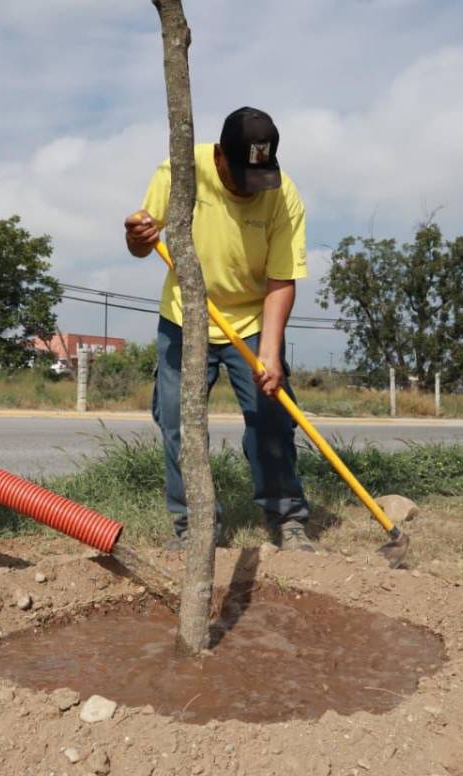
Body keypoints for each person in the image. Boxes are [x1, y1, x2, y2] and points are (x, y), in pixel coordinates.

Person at [123, 106, 316, 552]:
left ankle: (286, 516)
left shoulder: (283, 194)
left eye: (260, 176)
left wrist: (270, 351)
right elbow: (141, 239)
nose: (253, 189)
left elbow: (282, 277)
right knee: (176, 419)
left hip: (251, 319)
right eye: (242, 177)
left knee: (272, 417)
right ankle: (195, 524)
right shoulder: (180, 170)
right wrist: (138, 237)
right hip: (186, 316)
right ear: (220, 158)